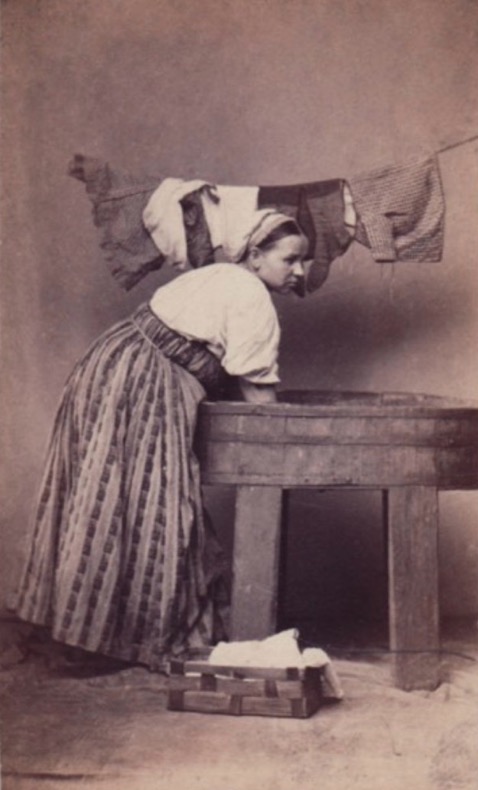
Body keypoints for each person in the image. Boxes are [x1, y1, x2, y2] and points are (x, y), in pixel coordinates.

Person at [14, 210, 307, 669]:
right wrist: (292, 450)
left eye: (302, 261)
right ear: (255, 256)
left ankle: (78, 629)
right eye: (290, 260)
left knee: (103, 497)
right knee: (149, 505)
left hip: (107, 364)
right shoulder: (251, 295)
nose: (300, 272)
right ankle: (104, 638)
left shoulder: (219, 276)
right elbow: (257, 395)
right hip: (145, 383)